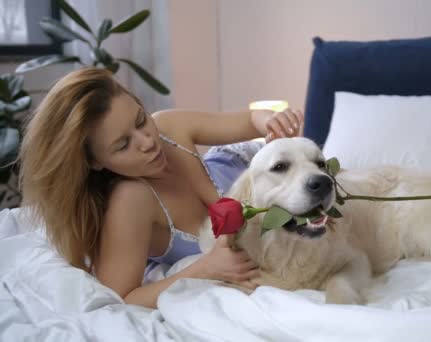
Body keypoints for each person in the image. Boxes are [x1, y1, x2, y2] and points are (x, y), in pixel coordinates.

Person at [18, 68, 304, 309]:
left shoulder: (168, 125)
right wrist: (205, 269)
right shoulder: (131, 202)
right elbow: (123, 297)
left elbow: (249, 120)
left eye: (141, 120)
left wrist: (270, 121)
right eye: (123, 145)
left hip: (256, 164)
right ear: (94, 162)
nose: (147, 142)